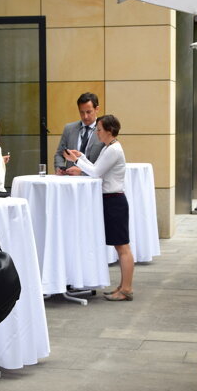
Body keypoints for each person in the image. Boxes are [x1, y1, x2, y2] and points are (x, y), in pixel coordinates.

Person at [63, 114, 134, 301]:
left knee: (122, 246)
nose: (97, 133)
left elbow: (95, 172)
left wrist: (77, 161)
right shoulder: (109, 147)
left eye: (100, 130)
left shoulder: (113, 150)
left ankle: (126, 289)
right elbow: (96, 167)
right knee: (120, 246)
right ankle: (122, 287)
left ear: (109, 131)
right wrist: (82, 157)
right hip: (111, 200)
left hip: (114, 201)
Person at [54, 92, 103, 175]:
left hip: (93, 181)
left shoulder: (103, 130)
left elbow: (103, 165)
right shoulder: (69, 129)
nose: (85, 116)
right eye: (82, 112)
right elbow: (59, 154)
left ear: (97, 109)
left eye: (88, 112)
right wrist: (60, 168)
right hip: (70, 181)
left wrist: (82, 172)